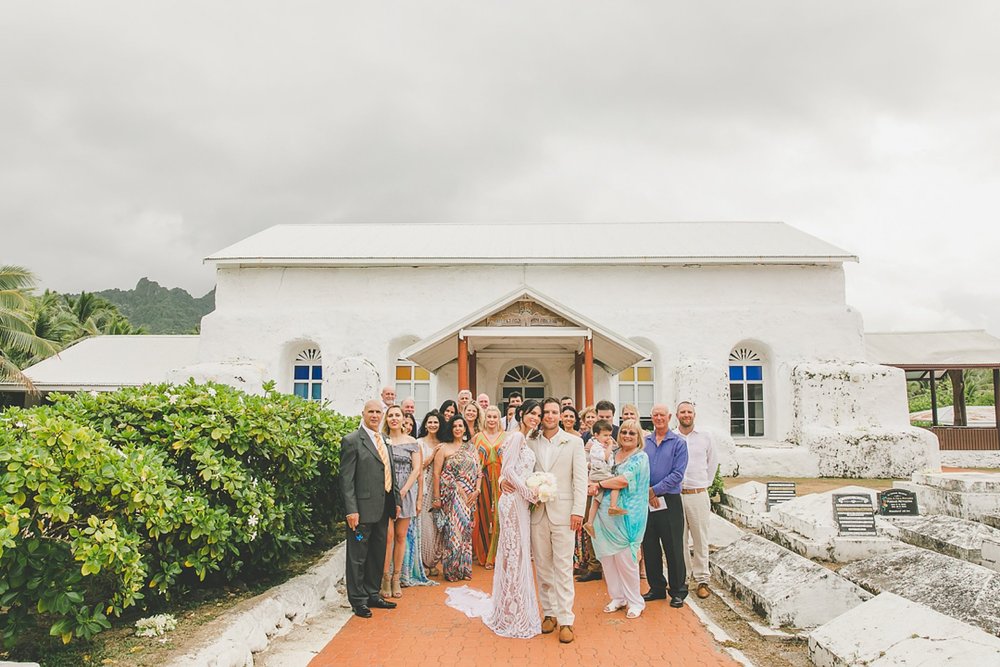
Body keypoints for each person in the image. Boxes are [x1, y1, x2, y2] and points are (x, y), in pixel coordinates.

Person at [445, 401, 543, 638]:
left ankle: (513, 605)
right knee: (513, 553)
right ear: (521, 414)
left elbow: (514, 472)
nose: (536, 418)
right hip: (513, 501)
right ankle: (511, 611)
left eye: (538, 414)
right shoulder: (517, 438)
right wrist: (529, 492)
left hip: (518, 499)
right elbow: (507, 471)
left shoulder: (524, 438)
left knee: (517, 554)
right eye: (532, 413)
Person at [524, 397, 587, 643]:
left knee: (563, 567)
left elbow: (580, 479)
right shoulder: (530, 441)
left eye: (553, 412)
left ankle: (566, 619)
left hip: (564, 513)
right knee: (542, 566)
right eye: (545, 412)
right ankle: (548, 613)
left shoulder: (573, 442)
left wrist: (578, 511)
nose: (549, 416)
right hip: (538, 513)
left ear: (560, 415)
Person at [340, 400, 401, 618]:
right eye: (371, 412)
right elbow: (346, 480)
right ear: (363, 413)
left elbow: (391, 473)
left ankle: (372, 593)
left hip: (383, 507)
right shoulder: (352, 441)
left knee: (377, 553)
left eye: (378, 412)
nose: (375, 415)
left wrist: (396, 503)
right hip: (361, 510)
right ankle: (358, 600)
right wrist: (351, 510)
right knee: (358, 555)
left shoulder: (385, 439)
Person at [588, 419, 650, 619]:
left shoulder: (640, 458)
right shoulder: (613, 454)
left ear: (638, 436)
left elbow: (624, 480)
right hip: (605, 514)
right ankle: (618, 597)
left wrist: (600, 484)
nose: (627, 436)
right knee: (608, 559)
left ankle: (635, 601)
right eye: (624, 431)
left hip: (627, 516)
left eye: (632, 433)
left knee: (626, 560)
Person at [642, 404, 689, 608]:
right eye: (655, 415)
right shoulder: (644, 442)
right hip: (646, 500)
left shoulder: (679, 443)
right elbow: (639, 468)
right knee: (650, 545)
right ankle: (657, 587)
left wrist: (655, 490)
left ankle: (678, 590)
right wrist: (648, 491)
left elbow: (678, 474)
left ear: (669, 417)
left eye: (662, 415)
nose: (659, 418)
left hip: (669, 500)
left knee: (673, 546)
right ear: (651, 418)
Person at [676, 401, 718, 600]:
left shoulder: (705, 437)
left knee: (700, 538)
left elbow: (712, 463)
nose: (686, 415)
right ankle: (683, 578)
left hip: (697, 493)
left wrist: (704, 484)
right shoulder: (672, 437)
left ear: (694, 414)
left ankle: (702, 579)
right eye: (682, 412)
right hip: (677, 495)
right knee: (680, 539)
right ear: (677, 415)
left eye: (689, 412)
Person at [433, 416, 482, 582]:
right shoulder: (444, 448)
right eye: (454, 426)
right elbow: (437, 474)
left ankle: (464, 569)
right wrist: (437, 497)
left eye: (460, 426)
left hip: (470, 495)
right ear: (450, 429)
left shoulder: (471, 448)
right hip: (452, 497)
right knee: (454, 532)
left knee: (466, 531)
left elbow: (479, 472)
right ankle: (451, 570)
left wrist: (477, 490)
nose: (458, 429)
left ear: (464, 428)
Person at [381, 405, 421, 598]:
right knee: (387, 537)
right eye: (391, 415)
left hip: (405, 492)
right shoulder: (382, 440)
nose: (394, 418)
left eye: (398, 415)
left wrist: (404, 490)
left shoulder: (411, 442)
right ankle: (385, 577)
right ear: (386, 418)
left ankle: (397, 577)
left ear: (403, 419)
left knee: (400, 536)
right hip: (386, 492)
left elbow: (416, 469)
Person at [472, 405, 506, 568]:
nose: (492, 420)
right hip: (482, 478)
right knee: (484, 517)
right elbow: (472, 462)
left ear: (499, 419)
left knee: (500, 517)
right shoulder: (477, 437)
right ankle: (484, 554)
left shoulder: (506, 436)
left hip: (502, 480)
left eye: (495, 417)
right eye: (489, 417)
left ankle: (496, 556)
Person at [584, 420, 626, 537]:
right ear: (596, 435)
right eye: (605, 435)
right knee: (616, 482)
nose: (608, 438)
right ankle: (613, 506)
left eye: (609, 435)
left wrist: (610, 445)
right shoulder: (595, 447)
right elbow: (606, 457)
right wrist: (610, 446)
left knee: (597, 499)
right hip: (599, 472)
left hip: (602, 472)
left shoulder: (603, 445)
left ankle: (589, 522)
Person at [415, 411, 444, 576]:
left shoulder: (443, 442)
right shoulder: (419, 443)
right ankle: (424, 562)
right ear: (425, 424)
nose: (433, 425)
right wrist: (433, 454)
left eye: (436, 422)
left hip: (439, 488)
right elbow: (419, 466)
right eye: (430, 422)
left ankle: (434, 561)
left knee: (437, 526)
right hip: (424, 487)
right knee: (425, 525)